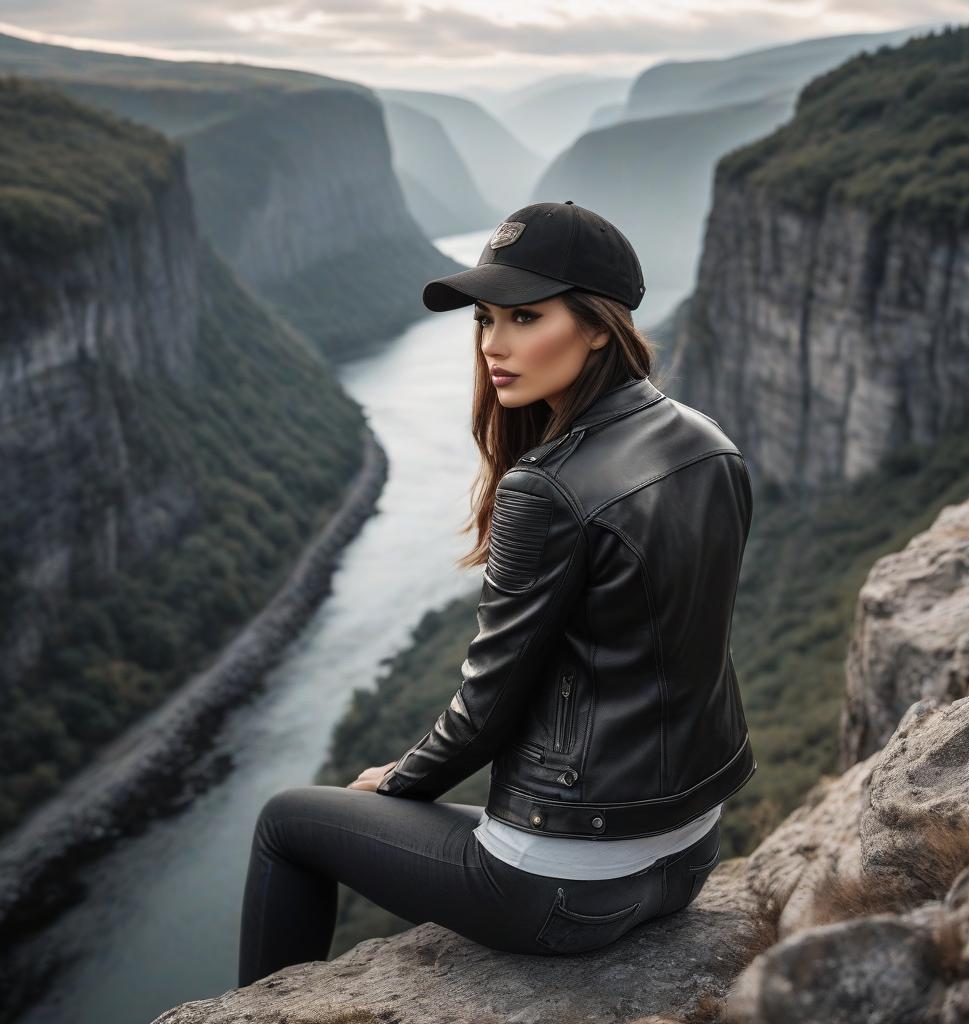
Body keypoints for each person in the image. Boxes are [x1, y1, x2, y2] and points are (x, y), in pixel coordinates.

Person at [237, 201, 756, 986]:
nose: (494, 346)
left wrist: (399, 781)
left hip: (561, 888)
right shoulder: (710, 446)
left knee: (285, 821)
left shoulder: (546, 489)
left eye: (523, 317)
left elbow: (487, 707)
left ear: (595, 326)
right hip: (688, 855)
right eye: (484, 320)